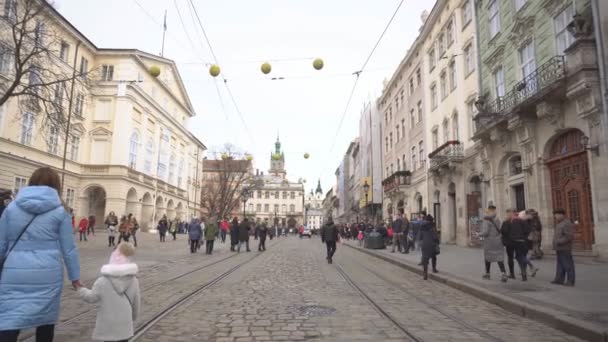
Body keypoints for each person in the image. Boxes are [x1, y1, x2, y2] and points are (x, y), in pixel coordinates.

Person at [0, 167, 81, 341]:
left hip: (14, 272)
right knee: (45, 321)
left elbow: (1, 243)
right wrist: (75, 277)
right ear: (56, 186)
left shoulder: (12, 208)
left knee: (10, 317)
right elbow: (69, 249)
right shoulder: (61, 211)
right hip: (48, 273)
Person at [77, 242, 140, 342]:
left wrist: (80, 289)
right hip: (124, 325)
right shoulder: (134, 281)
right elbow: (136, 304)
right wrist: (132, 319)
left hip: (108, 325)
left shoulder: (102, 281)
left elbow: (91, 297)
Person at [479, 205, 508, 282]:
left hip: (489, 242)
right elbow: (500, 229)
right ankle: (503, 273)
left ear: (488, 210)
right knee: (499, 258)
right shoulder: (497, 219)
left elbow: (485, 232)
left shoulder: (486, 220)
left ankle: (487, 274)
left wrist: (478, 234)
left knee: (487, 257)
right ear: (494, 210)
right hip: (498, 241)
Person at [502, 210, 531, 281]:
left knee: (510, 257)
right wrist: (524, 237)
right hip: (520, 242)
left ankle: (512, 274)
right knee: (520, 257)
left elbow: (503, 231)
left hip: (510, 242)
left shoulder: (506, 222)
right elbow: (527, 230)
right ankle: (523, 274)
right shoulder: (522, 221)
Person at [551, 208, 575, 286]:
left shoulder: (567, 223)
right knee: (560, 265)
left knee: (568, 265)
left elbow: (569, 236)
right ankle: (559, 279)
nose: (556, 216)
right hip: (559, 248)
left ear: (562, 215)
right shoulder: (559, 223)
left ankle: (570, 281)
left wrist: (559, 241)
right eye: (555, 215)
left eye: (557, 215)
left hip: (565, 247)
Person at [419, 214, 439, 280]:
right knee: (433, 257)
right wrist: (437, 242)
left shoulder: (422, 226)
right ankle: (434, 269)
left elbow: (420, 237)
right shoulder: (433, 226)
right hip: (432, 244)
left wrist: (421, 243)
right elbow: (435, 236)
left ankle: (425, 274)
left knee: (425, 259)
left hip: (424, 244)